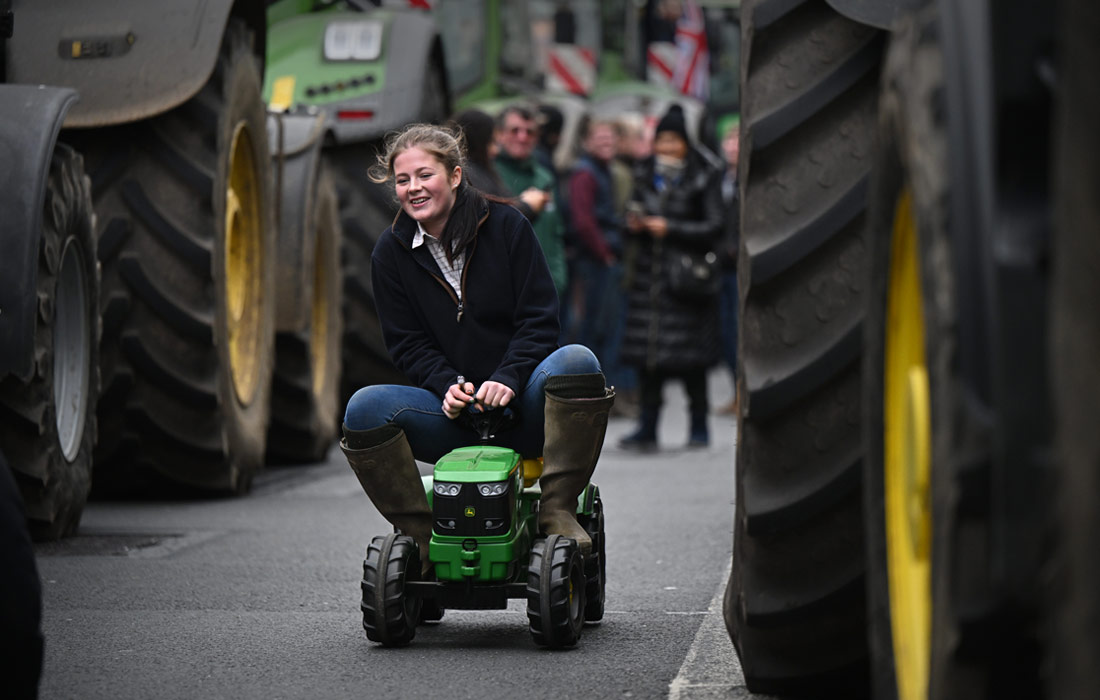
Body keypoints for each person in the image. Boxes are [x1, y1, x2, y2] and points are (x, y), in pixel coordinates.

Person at [340, 124, 615, 574]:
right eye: (402, 180)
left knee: (578, 361)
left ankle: (557, 510)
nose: (413, 189)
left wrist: (507, 378)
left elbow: (539, 321)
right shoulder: (389, 253)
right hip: (452, 419)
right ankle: (421, 537)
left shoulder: (507, 225)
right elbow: (407, 344)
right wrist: (446, 385)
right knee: (364, 408)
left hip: (523, 408)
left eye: (424, 175)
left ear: (454, 175)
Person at [619, 104, 723, 451]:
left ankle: (699, 427)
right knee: (650, 360)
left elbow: (714, 226)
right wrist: (635, 224)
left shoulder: (703, 175)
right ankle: (647, 428)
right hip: (649, 280)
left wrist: (671, 228)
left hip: (687, 281)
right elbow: (631, 212)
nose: (665, 147)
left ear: (685, 143)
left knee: (692, 360)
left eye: (672, 140)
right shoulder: (643, 172)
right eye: (660, 140)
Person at [568, 118, 633, 411]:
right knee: (597, 330)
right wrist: (604, 252)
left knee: (607, 330)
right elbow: (583, 221)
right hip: (596, 264)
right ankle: (591, 399)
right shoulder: (585, 174)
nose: (606, 143)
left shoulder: (603, 170)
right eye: (600, 138)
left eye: (611, 138)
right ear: (586, 142)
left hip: (604, 261)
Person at [494, 104, 569, 300]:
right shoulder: (490, 176)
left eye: (529, 132)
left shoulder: (544, 178)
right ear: (499, 134)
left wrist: (558, 280)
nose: (522, 137)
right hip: (505, 293)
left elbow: (555, 234)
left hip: (545, 291)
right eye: (515, 130)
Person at [452, 108, 552, 221]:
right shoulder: (469, 176)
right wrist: (527, 206)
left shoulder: (543, 175)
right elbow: (492, 219)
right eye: (491, 142)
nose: (522, 138)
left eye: (530, 132)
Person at [715, 117, 740, 415]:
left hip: (736, 268)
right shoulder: (719, 178)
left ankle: (741, 391)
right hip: (719, 267)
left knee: (736, 330)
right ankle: (735, 391)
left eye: (737, 141)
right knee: (725, 333)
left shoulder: (748, 180)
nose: (732, 147)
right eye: (728, 141)